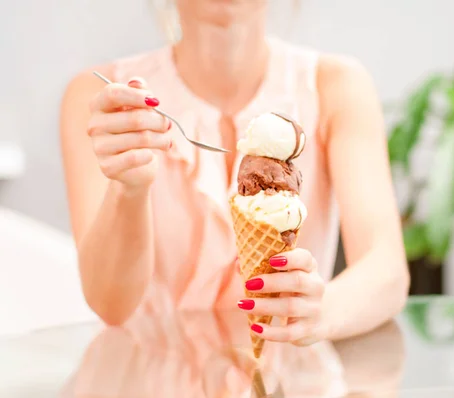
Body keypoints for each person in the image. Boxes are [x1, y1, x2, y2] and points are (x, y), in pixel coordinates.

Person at [60, 0, 409, 346]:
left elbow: (387, 273)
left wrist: (321, 311)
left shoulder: (337, 86)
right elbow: (111, 305)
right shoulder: (108, 103)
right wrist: (129, 189)